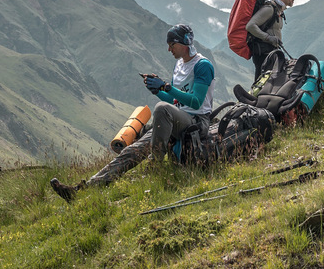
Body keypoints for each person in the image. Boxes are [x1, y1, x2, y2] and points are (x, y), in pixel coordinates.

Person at [50, 24, 215, 199]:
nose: (169, 49)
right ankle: (83, 191)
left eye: (171, 45)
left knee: (161, 109)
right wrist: (158, 91)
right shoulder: (179, 66)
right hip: (176, 118)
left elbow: (196, 103)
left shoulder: (202, 65)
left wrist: (166, 86)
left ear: (183, 43)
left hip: (197, 121)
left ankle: (156, 164)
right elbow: (175, 101)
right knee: (133, 150)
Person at [245, 0, 300, 81]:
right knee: (261, 83)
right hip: (263, 52)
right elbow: (250, 26)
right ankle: (253, 97)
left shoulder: (279, 10)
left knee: (267, 83)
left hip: (270, 52)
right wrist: (268, 37)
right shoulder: (270, 8)